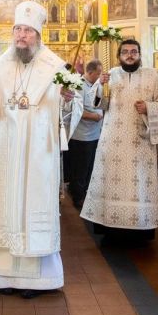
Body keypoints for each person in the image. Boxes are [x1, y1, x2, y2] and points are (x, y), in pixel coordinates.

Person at [0, 0, 82, 298]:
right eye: (17, 29)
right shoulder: (0, 64)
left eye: (28, 30)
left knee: (32, 211)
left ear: (38, 34)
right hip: (7, 151)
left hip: (39, 155)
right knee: (6, 209)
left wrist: (67, 99)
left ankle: (37, 280)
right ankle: (2, 277)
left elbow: (73, 108)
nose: (21, 36)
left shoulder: (55, 67)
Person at [81, 39, 158, 242]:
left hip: (139, 142)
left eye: (134, 52)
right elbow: (98, 104)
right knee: (111, 182)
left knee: (138, 184)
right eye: (125, 52)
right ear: (119, 56)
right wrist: (101, 87)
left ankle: (140, 229)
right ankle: (110, 229)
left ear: (140, 54)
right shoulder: (111, 75)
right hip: (113, 140)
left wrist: (149, 107)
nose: (130, 55)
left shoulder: (152, 76)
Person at [63, 59, 104, 209]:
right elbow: (76, 111)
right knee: (80, 169)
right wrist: (95, 116)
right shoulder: (78, 85)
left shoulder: (96, 86)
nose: (100, 76)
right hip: (81, 136)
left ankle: (85, 193)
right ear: (91, 72)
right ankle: (78, 197)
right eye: (98, 73)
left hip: (94, 134)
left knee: (90, 168)